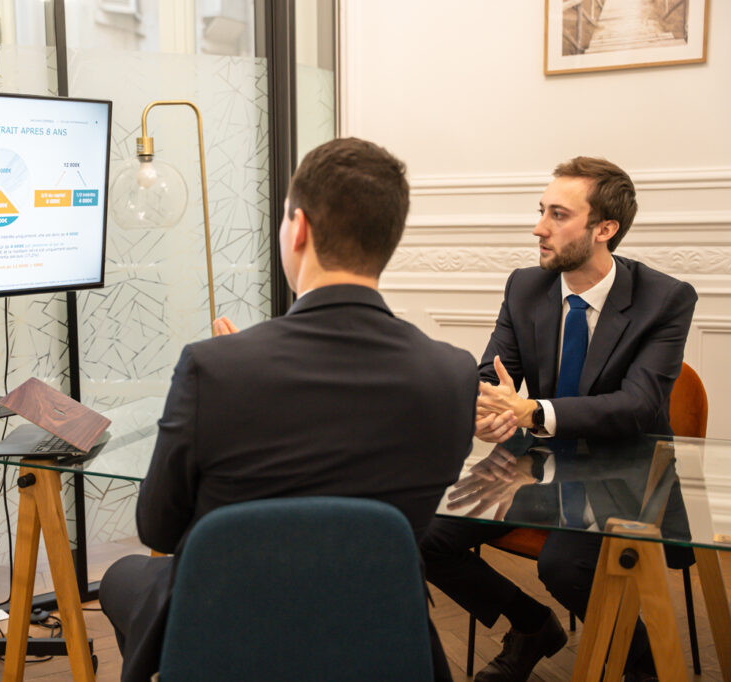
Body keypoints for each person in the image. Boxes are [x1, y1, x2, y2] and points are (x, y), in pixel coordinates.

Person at [98, 137, 479, 682]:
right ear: (388, 239)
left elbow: (159, 527)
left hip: (228, 631)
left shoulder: (214, 367)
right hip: (379, 634)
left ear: (298, 228)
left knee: (124, 576)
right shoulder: (454, 374)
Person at [420, 156, 697, 682]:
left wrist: (532, 410)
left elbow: (638, 405)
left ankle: (645, 668)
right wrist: (488, 411)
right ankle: (531, 626)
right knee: (422, 536)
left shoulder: (664, 298)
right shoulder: (526, 286)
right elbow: (492, 375)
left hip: (627, 464)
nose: (539, 228)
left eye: (558, 215)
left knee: (564, 566)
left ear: (604, 229)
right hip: (538, 461)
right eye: (541, 210)